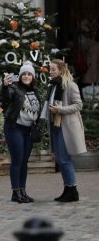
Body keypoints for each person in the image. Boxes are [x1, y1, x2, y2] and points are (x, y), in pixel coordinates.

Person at [40, 59, 87, 202]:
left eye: (53, 69)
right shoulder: (53, 86)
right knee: (60, 159)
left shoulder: (70, 85)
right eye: (50, 69)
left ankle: (73, 190)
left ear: (60, 70)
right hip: (55, 125)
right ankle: (68, 189)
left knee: (64, 160)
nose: (50, 71)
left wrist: (60, 109)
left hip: (66, 127)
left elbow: (78, 105)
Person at [1, 61, 41, 203]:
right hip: (14, 127)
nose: (26, 76)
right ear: (20, 75)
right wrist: (5, 86)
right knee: (17, 159)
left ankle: (22, 191)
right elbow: (7, 96)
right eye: (24, 74)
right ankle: (15, 192)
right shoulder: (14, 88)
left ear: (33, 76)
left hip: (28, 130)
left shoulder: (34, 90)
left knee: (24, 161)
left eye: (29, 74)